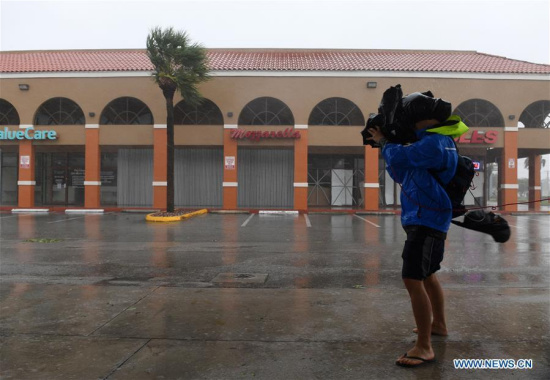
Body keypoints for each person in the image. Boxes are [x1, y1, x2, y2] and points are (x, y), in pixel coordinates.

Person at [366, 91, 468, 368]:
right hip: (423, 216)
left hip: (427, 218)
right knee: (428, 275)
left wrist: (385, 142)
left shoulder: (436, 142)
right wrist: (391, 147)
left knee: (413, 278)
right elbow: (401, 170)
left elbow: (404, 157)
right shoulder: (426, 142)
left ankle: (424, 347)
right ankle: (439, 325)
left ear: (424, 118)